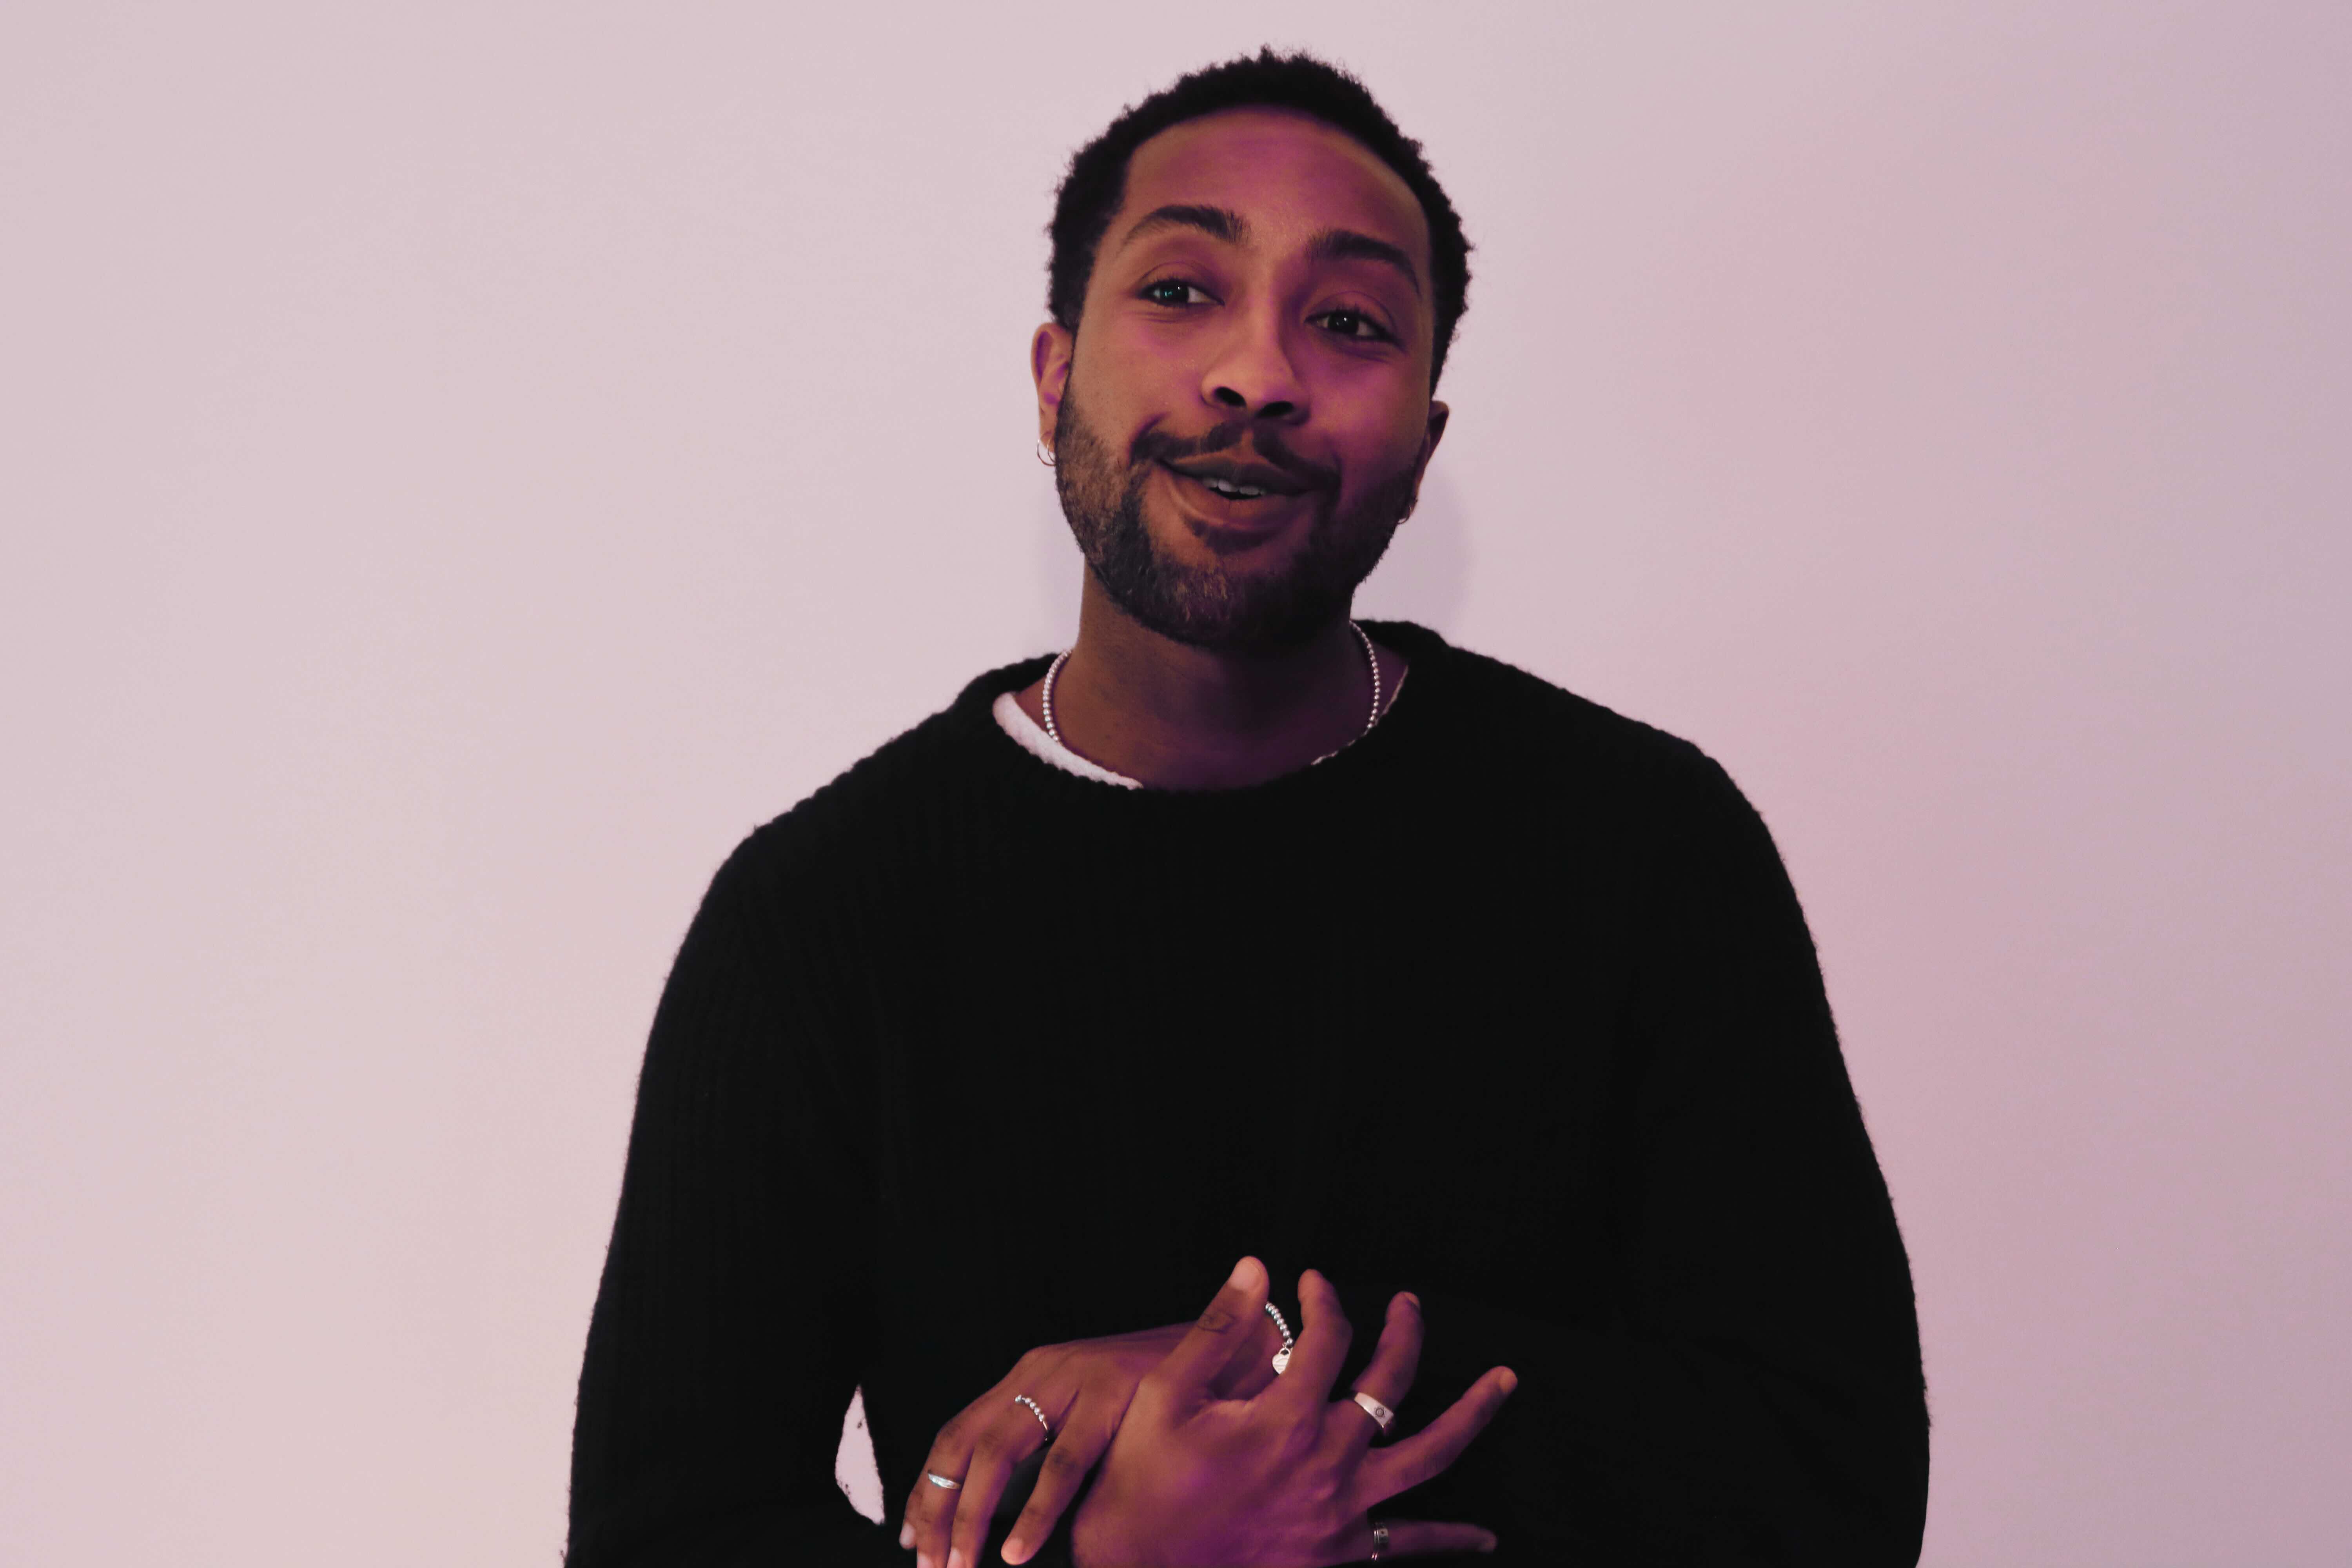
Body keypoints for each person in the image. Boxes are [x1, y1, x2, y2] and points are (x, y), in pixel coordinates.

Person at [565, 47, 1930, 1568]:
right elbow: (664, 1534)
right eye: (1181, 290)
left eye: (1348, 322)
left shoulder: (1645, 849)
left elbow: (1836, 1482)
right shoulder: (822, 914)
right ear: (1053, 379)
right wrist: (1110, 1557)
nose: (1258, 374)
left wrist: (1284, 1375)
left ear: (1424, 443)